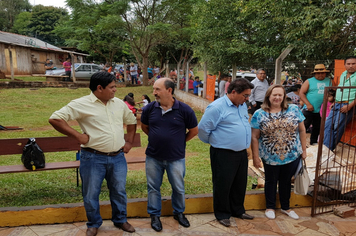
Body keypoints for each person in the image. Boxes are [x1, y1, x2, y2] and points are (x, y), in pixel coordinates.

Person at [48, 71, 137, 235]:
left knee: (119, 191)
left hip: (117, 157)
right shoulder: (81, 104)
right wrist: (78, 136)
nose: (115, 90)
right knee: (91, 193)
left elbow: (131, 122)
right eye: (112, 87)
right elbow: (55, 118)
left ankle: (121, 220)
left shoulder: (118, 104)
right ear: (99, 88)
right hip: (92, 157)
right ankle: (94, 223)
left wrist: (129, 142)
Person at [141, 78, 198, 232]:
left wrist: (180, 142)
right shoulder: (149, 109)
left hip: (176, 158)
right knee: (153, 187)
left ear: (169, 90)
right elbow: (145, 127)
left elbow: (193, 130)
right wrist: (156, 138)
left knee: (178, 188)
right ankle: (154, 215)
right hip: (153, 156)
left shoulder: (185, 110)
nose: (154, 93)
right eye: (154, 89)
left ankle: (179, 213)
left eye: (157, 89)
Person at [198, 78, 255, 228]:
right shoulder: (216, 107)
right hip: (223, 153)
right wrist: (217, 142)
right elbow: (203, 130)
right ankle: (222, 214)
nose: (247, 98)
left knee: (240, 183)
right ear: (234, 92)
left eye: (248, 95)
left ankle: (238, 210)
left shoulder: (241, 105)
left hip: (241, 153)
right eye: (245, 95)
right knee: (223, 184)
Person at [251, 84, 306, 221]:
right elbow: (254, 137)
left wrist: (304, 150)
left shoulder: (294, 109)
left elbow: (302, 130)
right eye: (274, 95)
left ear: (284, 97)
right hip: (270, 156)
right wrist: (255, 157)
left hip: (292, 155)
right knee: (271, 181)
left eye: (280, 95)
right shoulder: (259, 114)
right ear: (268, 96)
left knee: (286, 181)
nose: (277, 97)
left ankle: (286, 207)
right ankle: (270, 207)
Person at [324, 56, 356, 150]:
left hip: (348, 104)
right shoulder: (343, 74)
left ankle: (329, 149)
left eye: (353, 64)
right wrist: (335, 101)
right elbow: (340, 89)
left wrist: (350, 106)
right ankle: (326, 148)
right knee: (328, 125)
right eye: (348, 64)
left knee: (337, 127)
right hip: (337, 103)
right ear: (345, 65)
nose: (351, 66)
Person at [299, 64, 331, 146]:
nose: (320, 75)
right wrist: (308, 104)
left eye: (322, 73)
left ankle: (313, 142)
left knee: (317, 126)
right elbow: (301, 93)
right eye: (318, 73)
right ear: (314, 74)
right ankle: (298, 143)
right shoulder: (309, 81)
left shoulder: (329, 81)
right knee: (304, 126)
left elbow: (333, 92)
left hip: (321, 110)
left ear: (325, 73)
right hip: (309, 108)